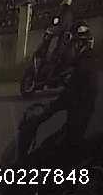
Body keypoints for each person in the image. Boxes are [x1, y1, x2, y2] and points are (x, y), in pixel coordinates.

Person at [21, 22, 101, 175]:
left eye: (69, 45)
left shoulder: (85, 68)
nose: (67, 50)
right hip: (80, 130)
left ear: (78, 45)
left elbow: (67, 98)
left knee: (41, 162)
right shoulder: (88, 63)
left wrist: (43, 114)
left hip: (79, 136)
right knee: (49, 146)